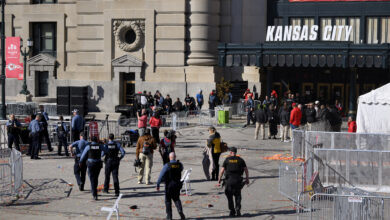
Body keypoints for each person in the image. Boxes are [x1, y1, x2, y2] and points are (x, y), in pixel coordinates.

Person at [218, 147, 249, 217]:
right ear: (236, 152)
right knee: (238, 195)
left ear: (230, 152)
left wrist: (219, 179)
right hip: (237, 180)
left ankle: (232, 211)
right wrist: (247, 179)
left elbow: (222, 171)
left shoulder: (227, 160)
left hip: (229, 181)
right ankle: (238, 209)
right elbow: (246, 170)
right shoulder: (240, 160)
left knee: (229, 196)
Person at [156, 152, 186, 220]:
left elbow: (161, 175)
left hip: (169, 185)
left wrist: (158, 184)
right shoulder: (180, 164)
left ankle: (169, 216)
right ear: (175, 157)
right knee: (177, 198)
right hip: (177, 184)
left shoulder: (167, 165)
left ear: (169, 158)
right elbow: (181, 169)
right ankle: (180, 210)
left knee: (168, 200)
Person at [79, 136, 106, 200]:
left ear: (91, 140)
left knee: (92, 178)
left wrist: (80, 162)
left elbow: (83, 156)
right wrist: (101, 155)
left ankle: (94, 194)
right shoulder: (100, 146)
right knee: (95, 178)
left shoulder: (88, 147)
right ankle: (94, 191)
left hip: (91, 164)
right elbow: (106, 150)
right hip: (98, 164)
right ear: (96, 140)